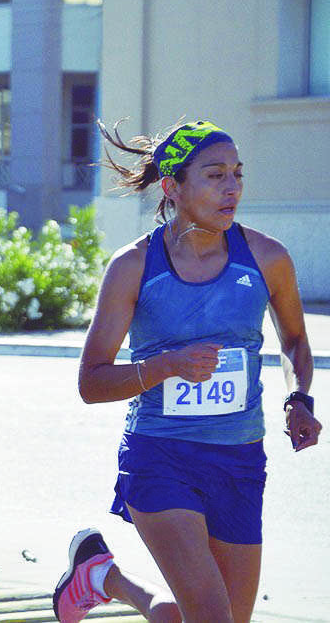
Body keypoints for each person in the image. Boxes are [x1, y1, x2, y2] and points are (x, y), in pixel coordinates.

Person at [53, 120, 322, 623]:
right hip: (161, 456)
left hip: (240, 460)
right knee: (211, 616)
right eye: (215, 175)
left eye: (237, 174)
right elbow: (92, 381)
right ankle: (101, 576)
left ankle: (101, 577)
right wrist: (166, 366)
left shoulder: (267, 258)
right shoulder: (134, 265)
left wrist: (298, 399)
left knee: (208, 617)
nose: (232, 187)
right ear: (173, 187)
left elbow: (295, 341)